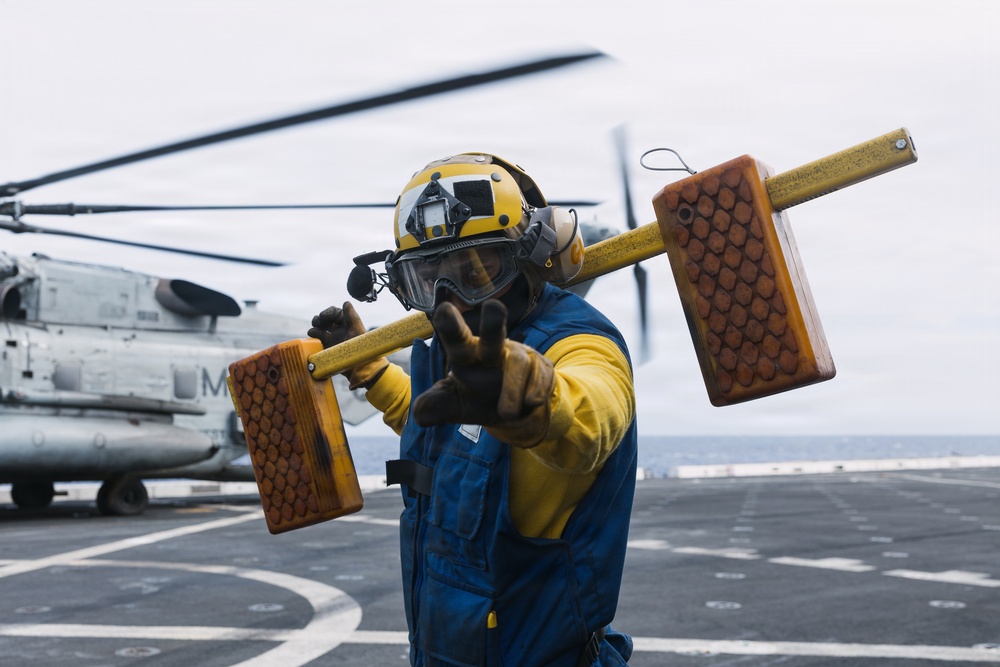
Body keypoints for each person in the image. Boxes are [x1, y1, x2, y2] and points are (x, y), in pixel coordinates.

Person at [309, 153, 637, 666]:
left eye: (477, 271)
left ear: (530, 258)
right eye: (428, 279)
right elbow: (440, 432)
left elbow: (591, 419)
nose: (452, 301)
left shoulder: (581, 344)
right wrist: (369, 370)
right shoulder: (447, 352)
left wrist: (527, 397)